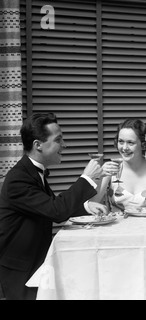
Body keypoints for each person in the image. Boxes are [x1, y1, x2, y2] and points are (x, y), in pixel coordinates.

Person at [0, 112, 105, 300]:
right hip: (21, 271)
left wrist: (88, 208)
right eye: (58, 140)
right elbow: (57, 211)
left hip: (36, 265)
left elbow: (50, 207)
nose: (64, 145)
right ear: (38, 145)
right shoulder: (19, 178)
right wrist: (87, 178)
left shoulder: (32, 172)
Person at [89, 118, 146, 212]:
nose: (124, 148)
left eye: (130, 142)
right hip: (116, 226)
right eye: (121, 141)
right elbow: (92, 204)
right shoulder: (110, 169)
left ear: (143, 144)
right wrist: (100, 176)